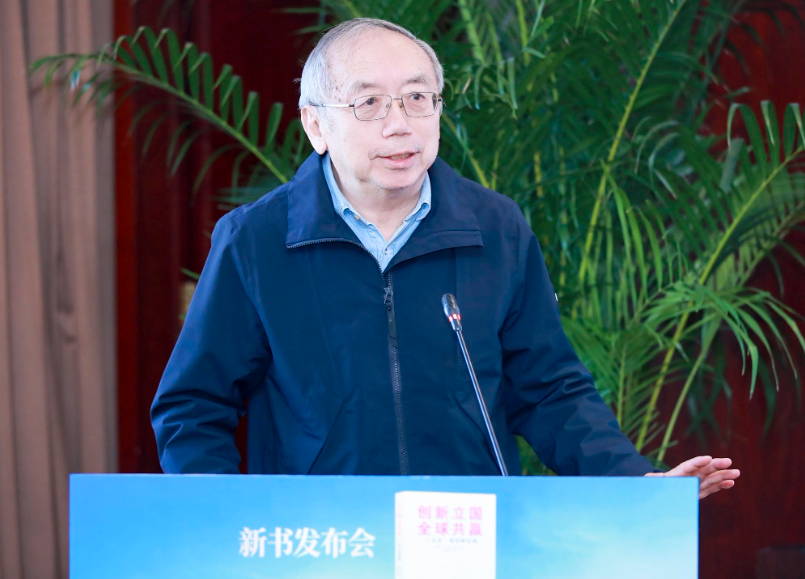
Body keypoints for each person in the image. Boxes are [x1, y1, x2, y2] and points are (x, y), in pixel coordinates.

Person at [151, 18, 739, 500]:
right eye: (369, 103)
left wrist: (634, 484)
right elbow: (193, 405)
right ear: (316, 124)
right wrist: (223, 518)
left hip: (466, 535)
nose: (400, 124)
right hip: (324, 542)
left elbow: (549, 390)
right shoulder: (256, 241)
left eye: (417, 98)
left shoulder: (495, 228)